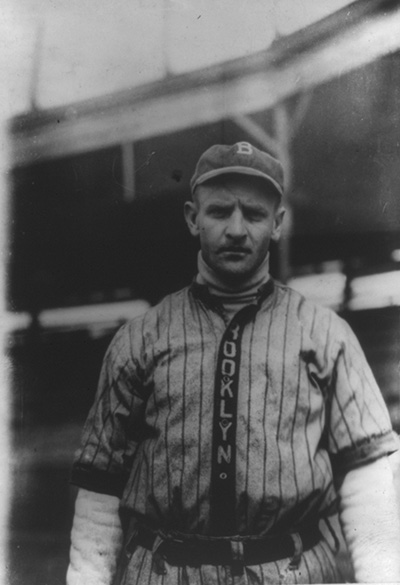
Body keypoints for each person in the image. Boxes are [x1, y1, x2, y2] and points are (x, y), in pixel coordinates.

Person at [67, 142, 400, 584]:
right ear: (192, 217)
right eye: (220, 211)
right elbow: (99, 491)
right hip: (167, 573)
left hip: (292, 573)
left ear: (278, 223)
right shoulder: (139, 339)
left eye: (255, 214)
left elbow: (366, 476)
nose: (237, 229)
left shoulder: (325, 334)